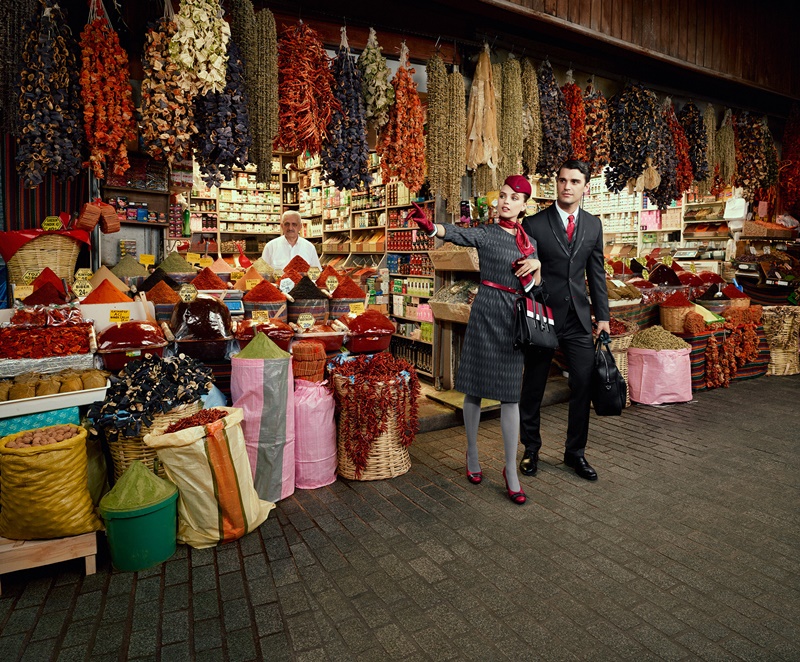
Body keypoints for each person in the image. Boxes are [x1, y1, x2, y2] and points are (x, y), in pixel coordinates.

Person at [408, 175, 542, 505]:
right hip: (484, 312)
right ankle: (471, 453)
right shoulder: (486, 232)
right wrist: (432, 228)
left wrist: (538, 265)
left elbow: (536, 286)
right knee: (475, 389)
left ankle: (510, 470)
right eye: (503, 196)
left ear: (525, 205)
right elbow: (458, 233)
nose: (505, 202)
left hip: (514, 318)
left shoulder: (530, 243)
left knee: (511, 395)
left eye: (514, 198)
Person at [518, 159, 610, 481]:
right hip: (543, 317)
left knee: (583, 384)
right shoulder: (534, 224)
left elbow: (595, 274)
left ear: (585, 186)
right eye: (562, 180)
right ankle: (530, 449)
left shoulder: (593, 226)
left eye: (574, 181)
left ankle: (575, 453)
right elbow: (523, 273)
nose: (567, 186)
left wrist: (604, 317)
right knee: (533, 386)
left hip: (578, 320)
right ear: (556, 184)